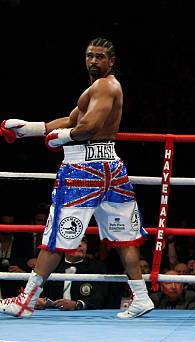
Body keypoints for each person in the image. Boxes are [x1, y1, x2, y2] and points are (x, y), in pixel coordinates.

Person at [0, 37, 154, 319]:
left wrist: (62, 139)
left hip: (84, 170)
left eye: (99, 57)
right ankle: (142, 298)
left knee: (58, 235)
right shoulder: (97, 89)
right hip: (112, 168)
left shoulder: (105, 86)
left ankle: (26, 301)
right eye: (89, 56)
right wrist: (29, 129)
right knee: (124, 238)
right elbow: (72, 120)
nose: (93, 61)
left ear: (112, 61)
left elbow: (87, 127)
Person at [35, 237, 108, 311]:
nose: (80, 244)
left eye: (84, 241)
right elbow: (42, 292)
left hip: (85, 316)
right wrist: (38, 300)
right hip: (53, 315)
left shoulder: (97, 267)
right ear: (63, 244)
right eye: (74, 239)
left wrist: (77, 304)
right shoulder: (52, 266)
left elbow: (101, 296)